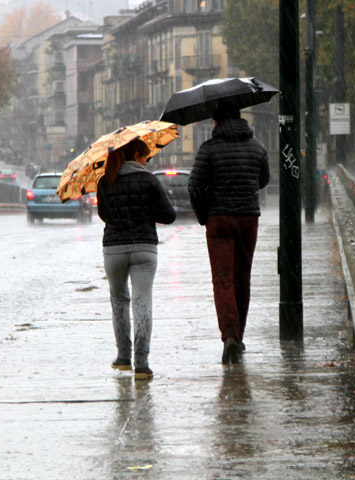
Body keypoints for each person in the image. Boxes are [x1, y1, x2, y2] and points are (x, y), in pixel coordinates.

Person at [188, 102, 270, 365]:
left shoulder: (208, 149)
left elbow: (194, 187)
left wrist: (204, 215)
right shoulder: (257, 147)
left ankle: (230, 337)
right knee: (242, 278)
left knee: (222, 280)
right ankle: (239, 337)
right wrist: (246, 184)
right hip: (248, 218)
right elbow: (264, 179)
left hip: (219, 220)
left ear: (217, 122)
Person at [97, 138, 177, 380]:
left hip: (114, 250)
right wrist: (146, 211)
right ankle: (141, 364)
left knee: (119, 301)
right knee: (142, 302)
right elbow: (169, 216)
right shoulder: (149, 180)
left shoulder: (105, 181)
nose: (147, 161)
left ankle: (123, 357)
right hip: (144, 248)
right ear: (136, 156)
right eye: (145, 157)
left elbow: (104, 215)